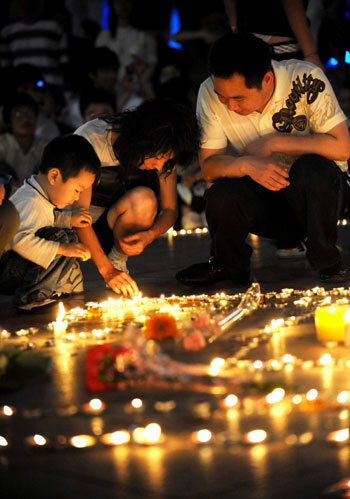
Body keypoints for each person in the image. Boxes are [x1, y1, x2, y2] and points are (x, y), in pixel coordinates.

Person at [176, 32, 350, 288]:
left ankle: (328, 263)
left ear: (267, 80)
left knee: (312, 167)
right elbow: (211, 167)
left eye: (238, 98)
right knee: (222, 193)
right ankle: (229, 266)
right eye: (222, 97)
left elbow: (343, 147)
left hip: (322, 198)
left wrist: (274, 142)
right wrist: (247, 164)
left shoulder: (304, 78)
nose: (229, 106)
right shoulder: (208, 94)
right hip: (267, 202)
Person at [74, 98, 201, 297]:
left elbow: (169, 210)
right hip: (73, 230)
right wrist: (106, 271)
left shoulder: (164, 149)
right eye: (158, 158)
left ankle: (118, 261)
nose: (160, 167)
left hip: (111, 223)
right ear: (142, 140)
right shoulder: (94, 139)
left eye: (167, 160)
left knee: (145, 199)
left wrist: (149, 235)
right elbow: (77, 216)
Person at [0, 134, 100, 311]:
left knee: (67, 236)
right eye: (77, 190)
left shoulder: (38, 196)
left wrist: (68, 219)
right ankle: (32, 295)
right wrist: (62, 249)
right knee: (60, 239)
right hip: (6, 268)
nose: (77, 197)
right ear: (54, 176)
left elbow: (43, 219)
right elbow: (19, 239)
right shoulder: (29, 201)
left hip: (12, 266)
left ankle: (54, 283)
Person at [0, 92, 49, 190]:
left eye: (29, 113)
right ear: (9, 120)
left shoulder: (45, 146)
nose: (25, 119)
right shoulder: (2, 143)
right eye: (18, 114)